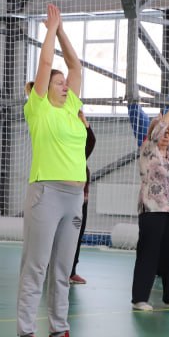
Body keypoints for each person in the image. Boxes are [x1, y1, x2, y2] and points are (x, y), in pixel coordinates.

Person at [14, 5, 90, 337]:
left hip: (75, 196)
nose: (65, 86)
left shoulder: (71, 106)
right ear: (44, 89)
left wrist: (62, 31)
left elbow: (75, 66)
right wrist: (49, 31)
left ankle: (58, 334)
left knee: (62, 269)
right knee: (36, 266)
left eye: (64, 84)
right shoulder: (39, 108)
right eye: (58, 83)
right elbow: (47, 64)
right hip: (46, 193)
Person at [132, 85, 169, 312]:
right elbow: (158, 131)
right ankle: (140, 298)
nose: (167, 136)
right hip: (153, 209)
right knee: (149, 252)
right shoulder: (148, 149)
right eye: (164, 133)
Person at [68, 109, 96, 285]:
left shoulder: (81, 154)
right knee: (61, 235)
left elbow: (91, 140)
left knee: (77, 233)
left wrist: (83, 119)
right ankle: (53, 267)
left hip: (80, 202)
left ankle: (71, 271)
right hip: (65, 199)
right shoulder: (62, 152)